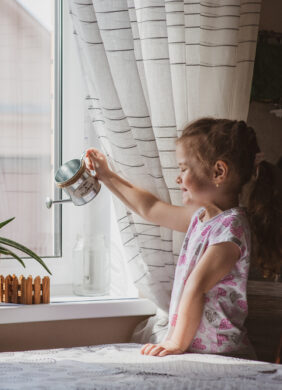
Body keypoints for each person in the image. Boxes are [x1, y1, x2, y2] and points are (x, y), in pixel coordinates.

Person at [85, 117, 281, 358]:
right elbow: (151, 208)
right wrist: (106, 176)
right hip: (198, 350)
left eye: (184, 168)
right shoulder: (202, 219)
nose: (178, 178)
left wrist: (176, 342)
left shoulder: (231, 228)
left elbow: (197, 286)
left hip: (222, 354)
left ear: (218, 172)